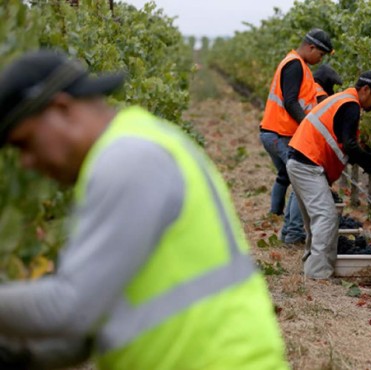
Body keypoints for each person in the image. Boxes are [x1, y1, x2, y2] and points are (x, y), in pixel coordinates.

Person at [0, 50, 289, 370]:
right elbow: (98, 321)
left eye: (24, 143)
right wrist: (25, 355)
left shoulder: (127, 159)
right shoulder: (128, 148)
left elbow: (72, 308)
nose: (26, 163)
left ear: (62, 109)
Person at [286, 71, 371, 279]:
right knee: (326, 218)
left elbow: (345, 144)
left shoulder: (343, 100)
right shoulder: (350, 104)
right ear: (365, 90)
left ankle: (312, 268)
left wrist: (368, 158)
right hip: (307, 164)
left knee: (314, 221)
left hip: (301, 161)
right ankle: (318, 276)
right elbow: (351, 147)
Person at [259, 28, 333, 245]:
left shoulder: (298, 65)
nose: (320, 60)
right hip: (279, 134)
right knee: (303, 177)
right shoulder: (294, 65)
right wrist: (309, 126)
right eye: (320, 55)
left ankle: (288, 231)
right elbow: (290, 101)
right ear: (311, 47)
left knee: (290, 176)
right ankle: (293, 234)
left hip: (276, 132)